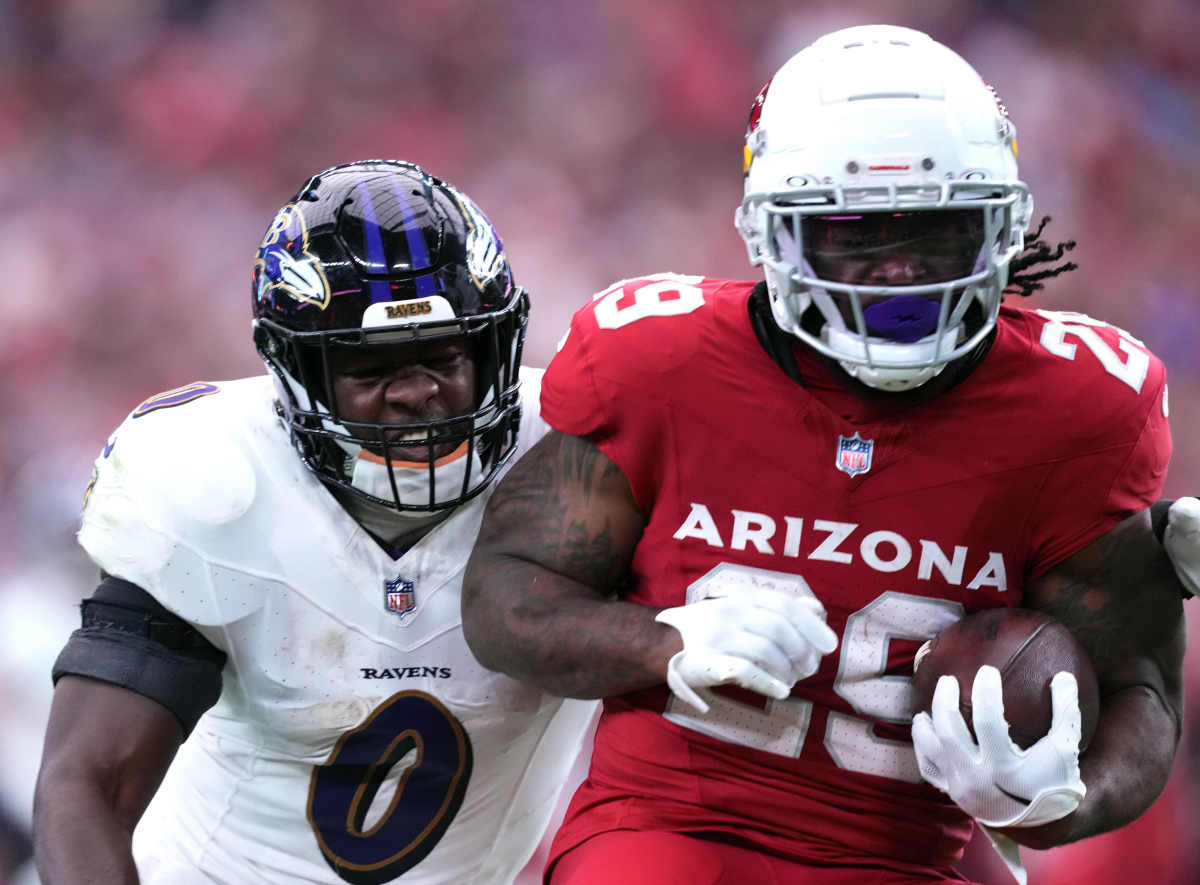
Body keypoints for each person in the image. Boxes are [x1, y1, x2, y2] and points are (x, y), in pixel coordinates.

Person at [461, 25, 1189, 885]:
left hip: (911, 855)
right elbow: (509, 594)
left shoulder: (1075, 408)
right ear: (771, 235)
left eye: (939, 233)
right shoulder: (657, 362)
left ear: (1002, 229)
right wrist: (662, 640)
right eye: (856, 236)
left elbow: (1140, 686)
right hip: (670, 824)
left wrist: (1057, 798)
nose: (899, 274)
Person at [32, 159, 596, 884]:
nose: (418, 392)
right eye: (372, 368)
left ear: (494, 345)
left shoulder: (581, 454)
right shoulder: (217, 483)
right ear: (298, 374)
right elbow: (85, 781)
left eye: (445, 354)